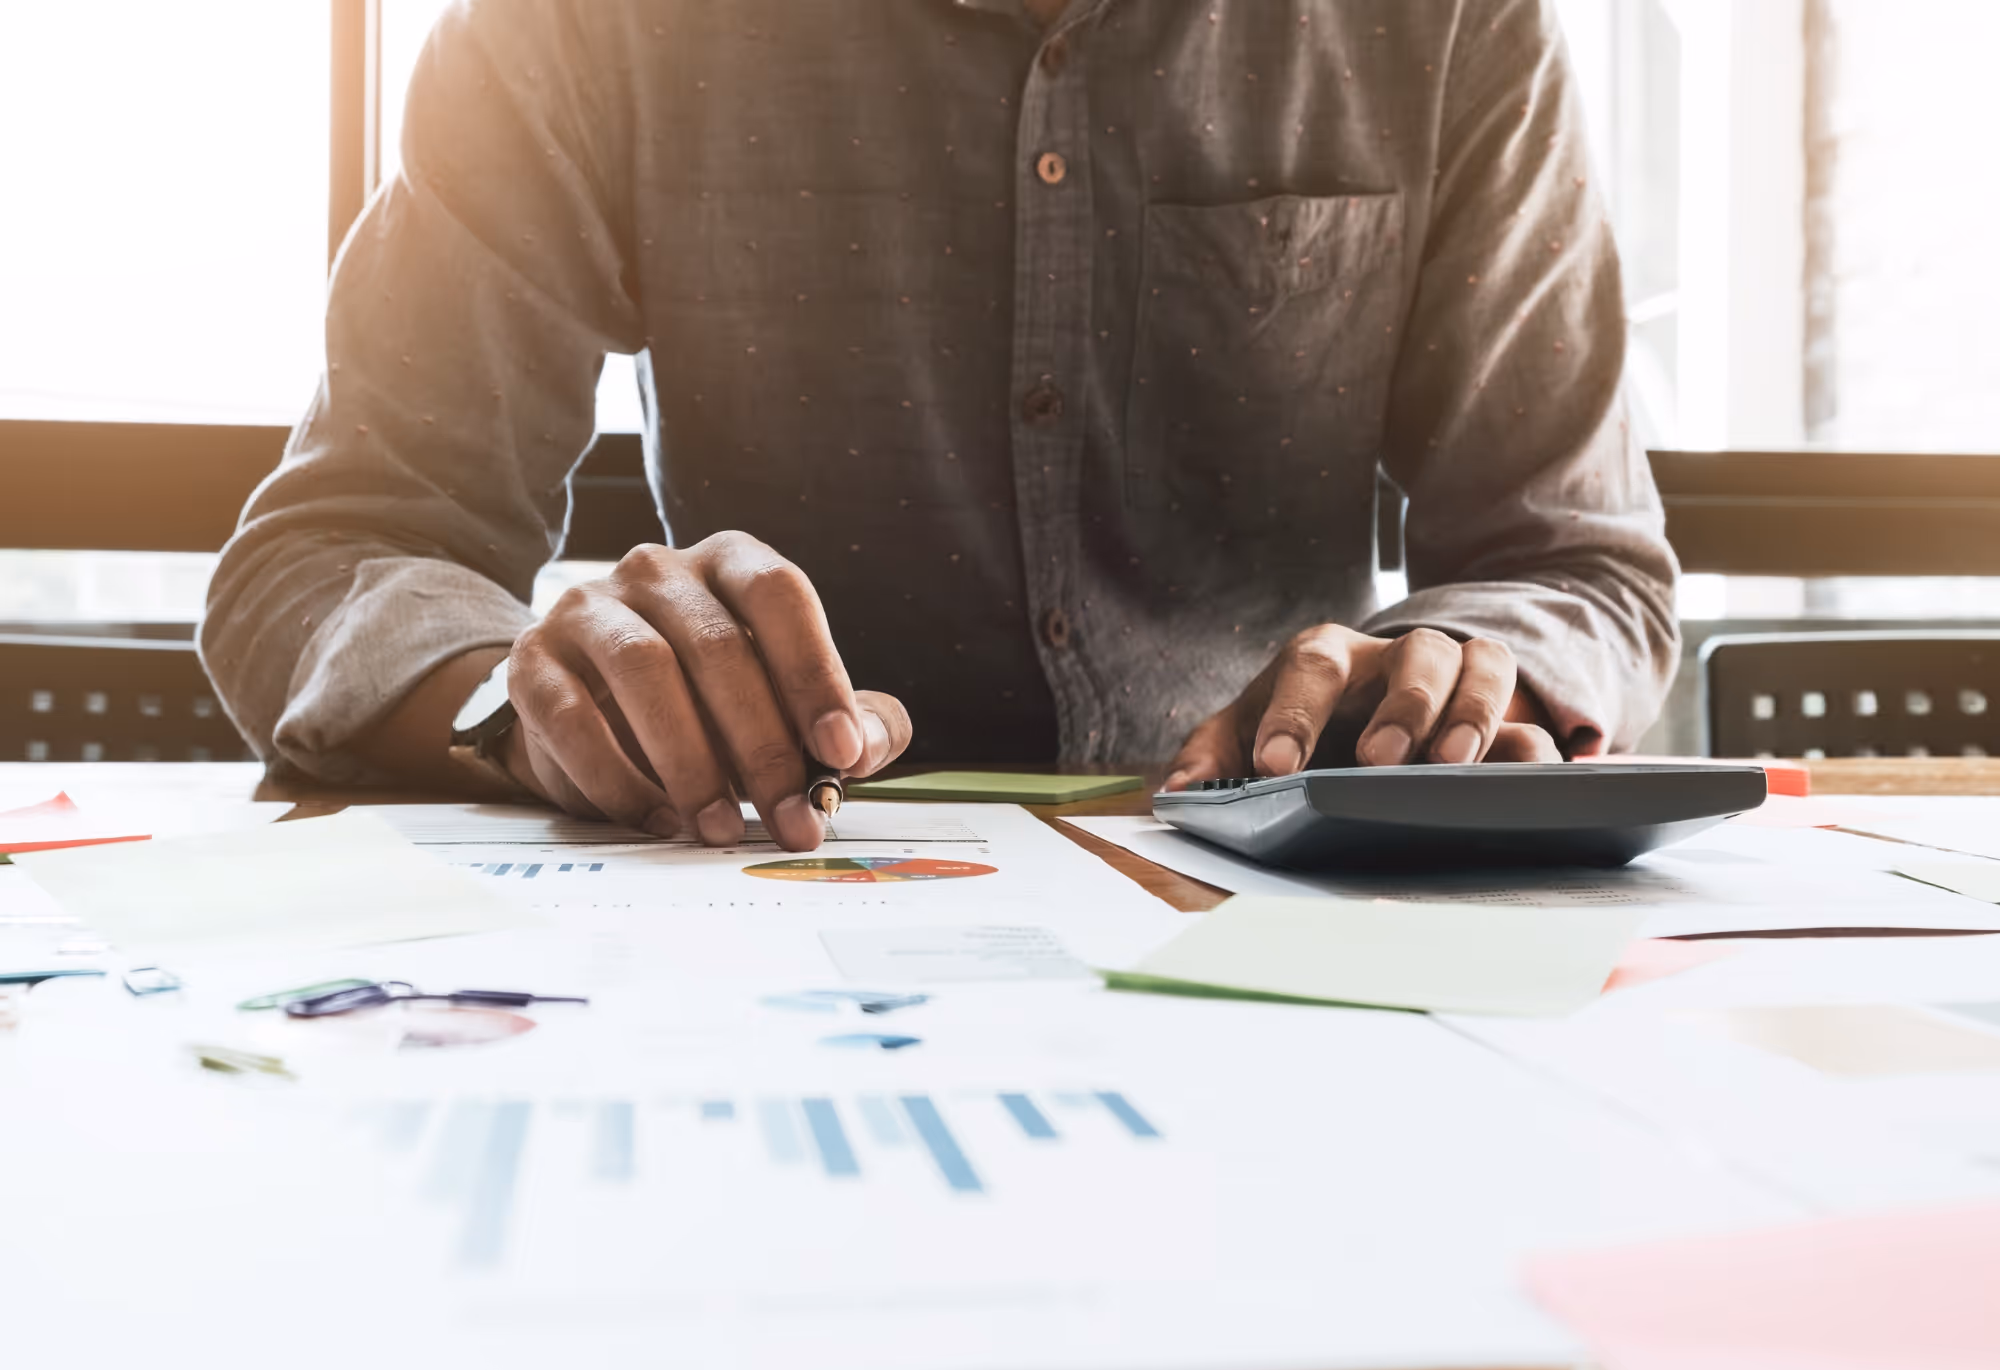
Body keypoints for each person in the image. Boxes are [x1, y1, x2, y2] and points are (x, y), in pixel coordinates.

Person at [201, 0, 1678, 854]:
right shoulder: (590, 23)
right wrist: (512, 702)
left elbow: (1578, 567)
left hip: (1288, 942)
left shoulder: (1454, 20)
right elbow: (330, 553)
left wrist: (1470, 676)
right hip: (755, 911)